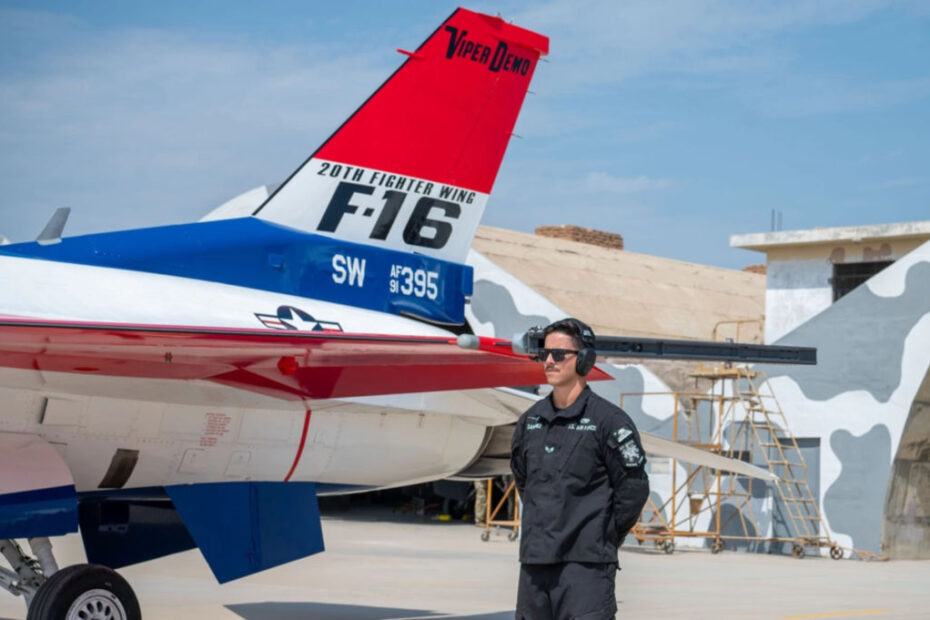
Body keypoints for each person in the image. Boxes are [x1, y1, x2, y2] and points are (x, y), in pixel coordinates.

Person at [511, 318, 649, 620]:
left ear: (584, 359)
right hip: (535, 566)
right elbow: (525, 484)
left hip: (586, 569)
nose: (549, 360)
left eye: (559, 354)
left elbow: (634, 490)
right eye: (545, 353)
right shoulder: (530, 422)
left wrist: (602, 535)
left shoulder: (609, 422)